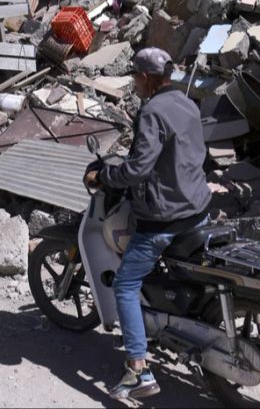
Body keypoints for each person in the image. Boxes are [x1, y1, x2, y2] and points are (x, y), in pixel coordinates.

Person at [84, 47, 212, 400]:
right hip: (198, 208)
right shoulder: (187, 102)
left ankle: (137, 370)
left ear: (144, 78)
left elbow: (138, 169)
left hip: (165, 217)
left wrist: (107, 176)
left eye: (135, 78)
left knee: (125, 285)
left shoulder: (152, 111)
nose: (134, 84)